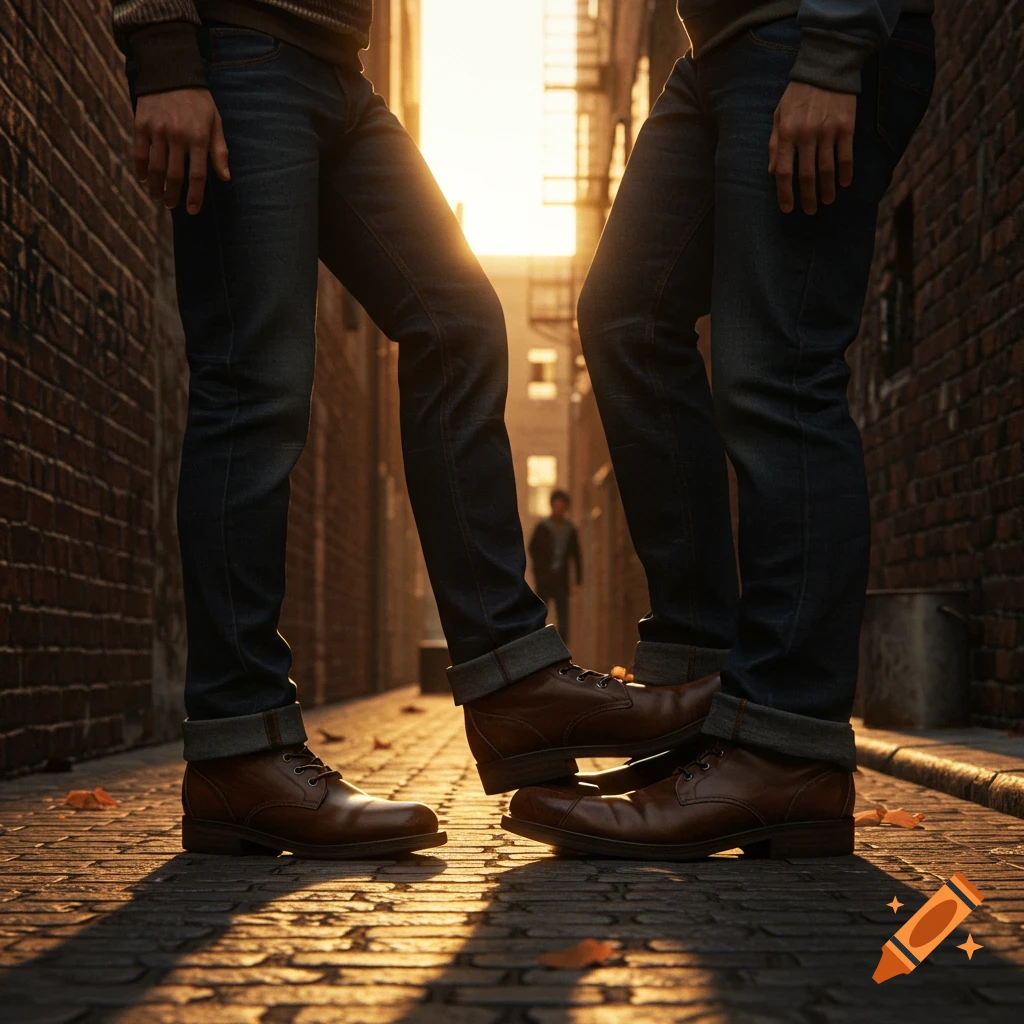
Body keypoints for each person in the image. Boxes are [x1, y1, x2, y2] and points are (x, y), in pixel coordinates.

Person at [113, 0, 720, 857]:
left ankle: (512, 681)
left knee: (459, 320)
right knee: (255, 387)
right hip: (235, 46)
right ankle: (236, 747)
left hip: (338, 68)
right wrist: (165, 48)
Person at [504, 0, 935, 859]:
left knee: (778, 369)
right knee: (625, 315)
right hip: (716, 47)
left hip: (804, 28)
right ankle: (707, 693)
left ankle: (786, 745)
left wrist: (836, 44)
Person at [528, 490, 582, 642]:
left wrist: (578, 580)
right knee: (541, 615)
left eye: (562, 506)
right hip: (545, 579)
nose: (559, 509)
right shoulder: (542, 528)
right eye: (556, 506)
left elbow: (576, 555)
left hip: (561, 580)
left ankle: (564, 649)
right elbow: (533, 549)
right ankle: (539, 645)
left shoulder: (570, 530)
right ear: (552, 506)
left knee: (563, 618)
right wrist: (539, 570)